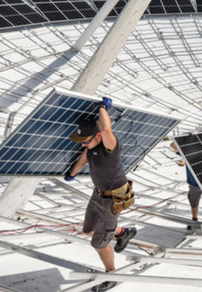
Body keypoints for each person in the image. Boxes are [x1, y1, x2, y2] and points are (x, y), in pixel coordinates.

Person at [65, 97, 136, 292]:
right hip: (97, 195)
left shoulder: (110, 148)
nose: (82, 145)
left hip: (114, 199)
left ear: (97, 137)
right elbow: (81, 162)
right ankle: (123, 232)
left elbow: (106, 130)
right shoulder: (89, 149)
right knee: (88, 230)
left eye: (85, 141)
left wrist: (103, 108)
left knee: (98, 242)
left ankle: (112, 275)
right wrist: (71, 174)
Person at [170, 141, 202, 236]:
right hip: (194, 184)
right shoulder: (188, 153)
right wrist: (184, 140)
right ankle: (194, 220)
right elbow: (172, 145)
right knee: (194, 204)